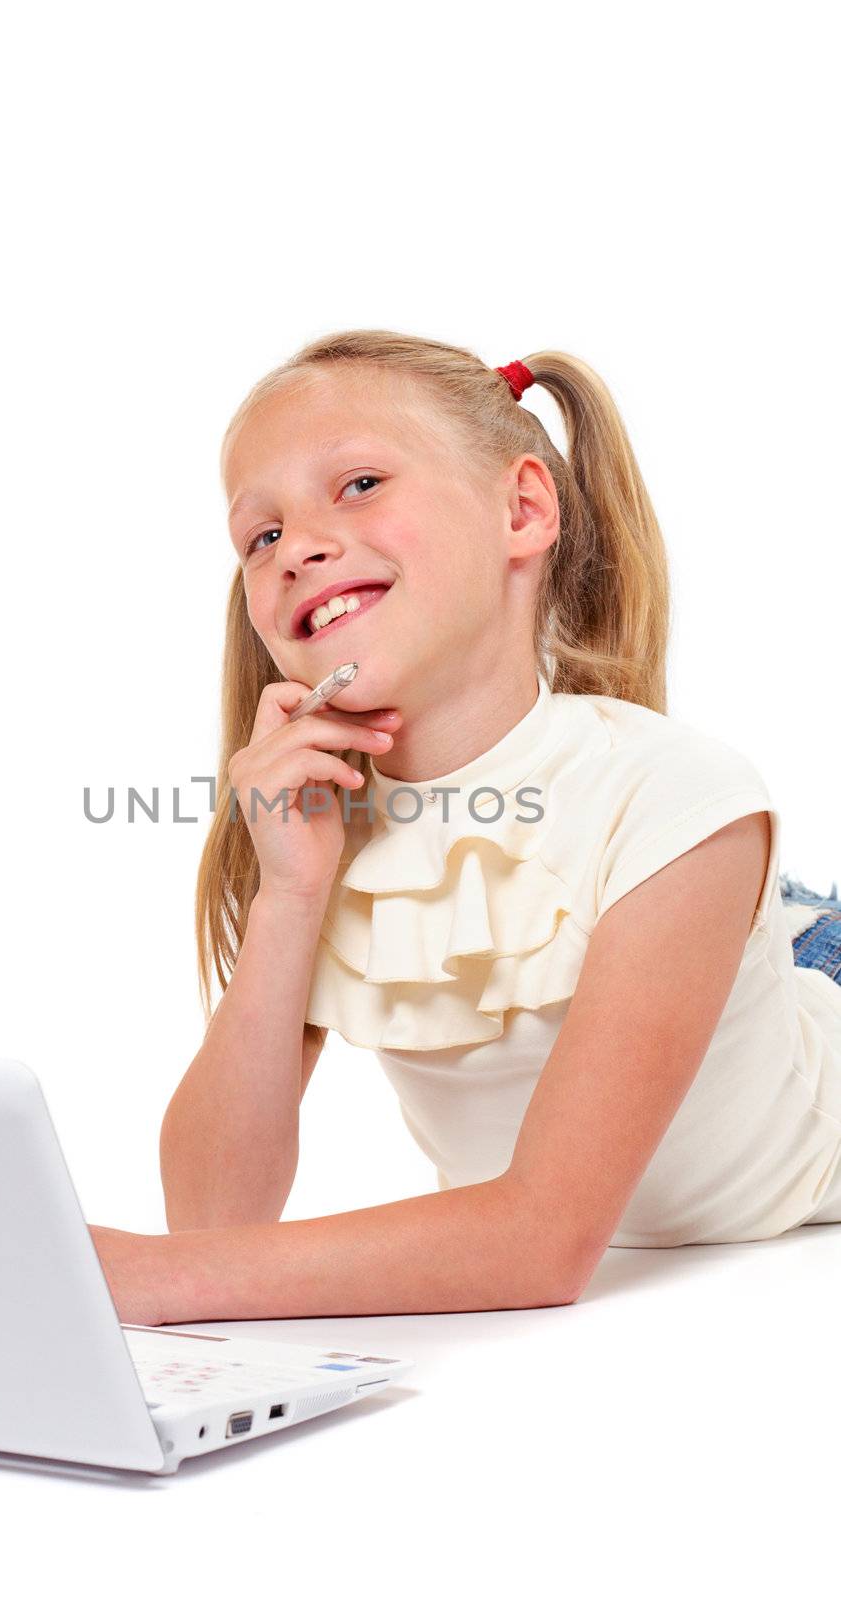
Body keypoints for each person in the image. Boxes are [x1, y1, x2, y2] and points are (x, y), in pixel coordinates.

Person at [88, 330, 841, 1326]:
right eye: (259, 535)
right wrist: (291, 894)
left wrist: (150, 1278)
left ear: (521, 510)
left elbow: (541, 1240)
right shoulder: (322, 830)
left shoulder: (675, 792)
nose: (298, 544)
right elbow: (212, 1215)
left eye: (357, 483)